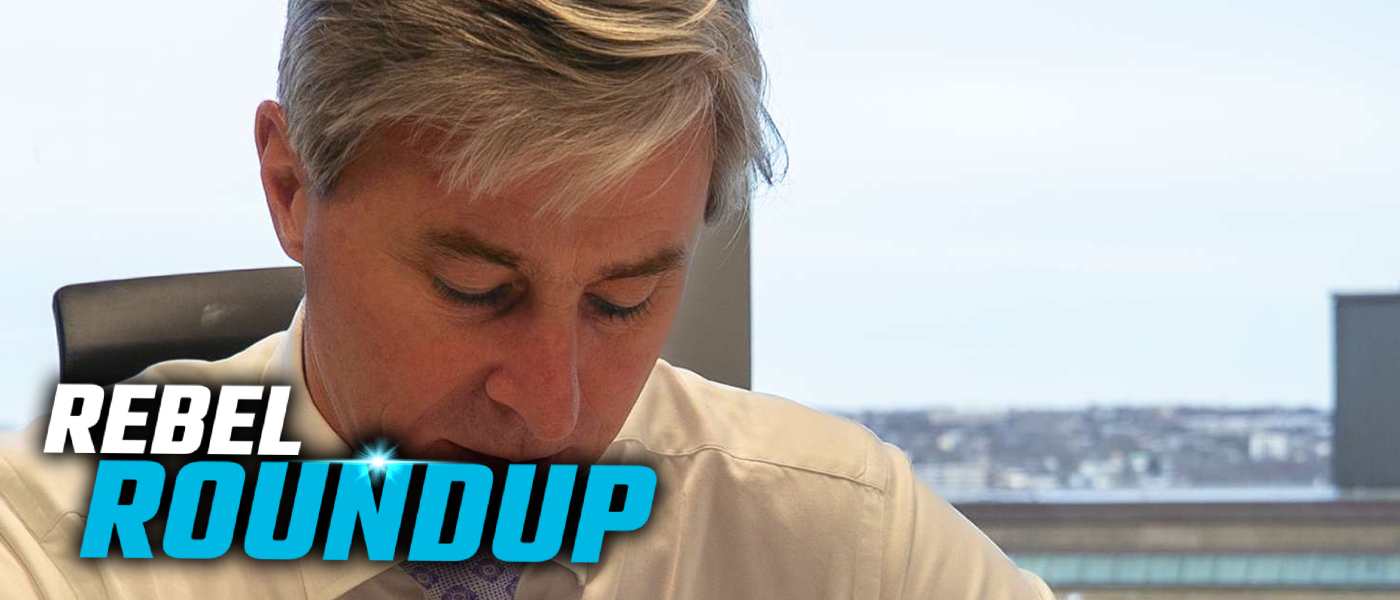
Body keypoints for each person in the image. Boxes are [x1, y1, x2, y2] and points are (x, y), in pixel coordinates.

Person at [0, 0, 1054, 598]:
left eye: (623, 301)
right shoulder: (50, 552)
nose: (553, 415)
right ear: (291, 187)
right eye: (475, 289)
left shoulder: (836, 536)